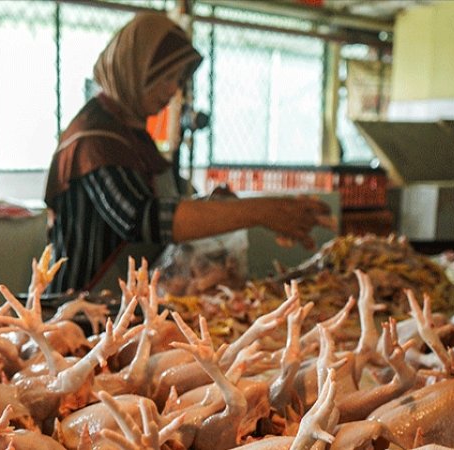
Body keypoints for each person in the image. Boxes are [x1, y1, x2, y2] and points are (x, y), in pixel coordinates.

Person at [44, 12, 333, 294]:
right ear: (134, 69)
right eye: (166, 76)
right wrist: (260, 211)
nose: (173, 89)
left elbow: (165, 203)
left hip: (120, 306)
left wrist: (215, 205)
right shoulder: (94, 138)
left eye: (178, 79)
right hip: (78, 306)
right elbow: (142, 220)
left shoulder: (131, 134)